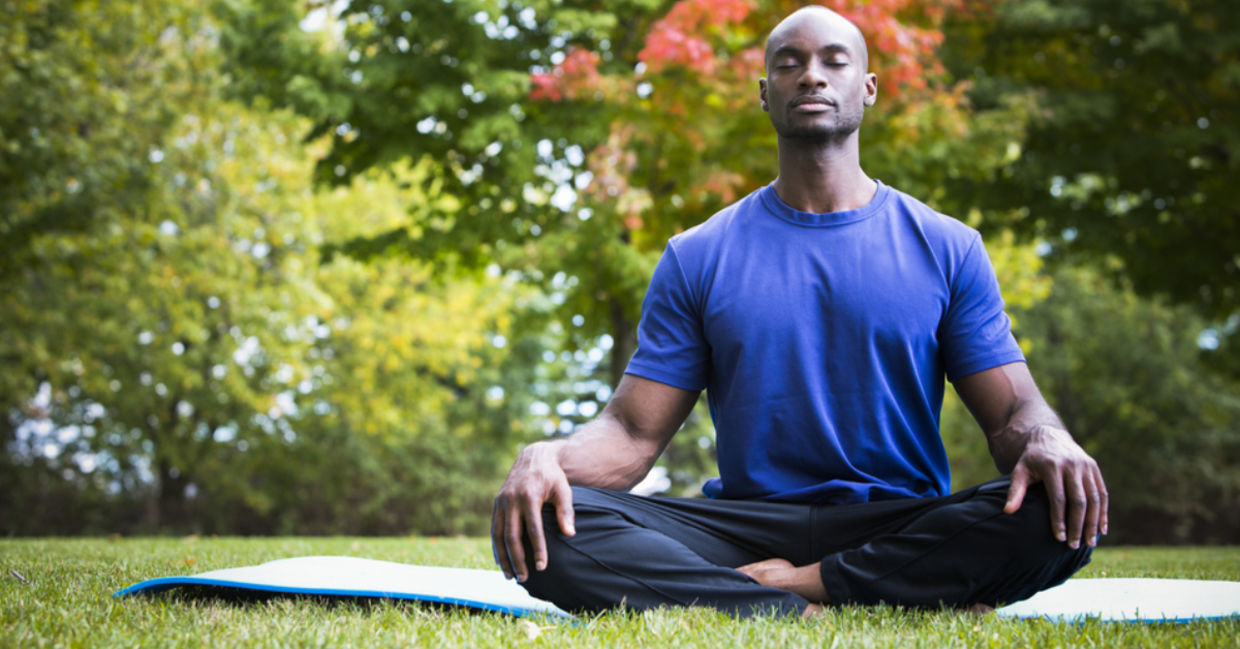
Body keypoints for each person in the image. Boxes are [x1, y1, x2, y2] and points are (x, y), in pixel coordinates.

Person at [491, 6, 1107, 618]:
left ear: (867, 88)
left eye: (834, 62)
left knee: (1056, 504)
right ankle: (851, 595)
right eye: (790, 64)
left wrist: (1048, 438)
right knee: (545, 520)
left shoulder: (947, 247)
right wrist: (548, 457)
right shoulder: (697, 254)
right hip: (744, 525)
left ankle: (798, 587)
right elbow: (631, 435)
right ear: (766, 93)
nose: (812, 76)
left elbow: (1011, 417)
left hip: (897, 519)